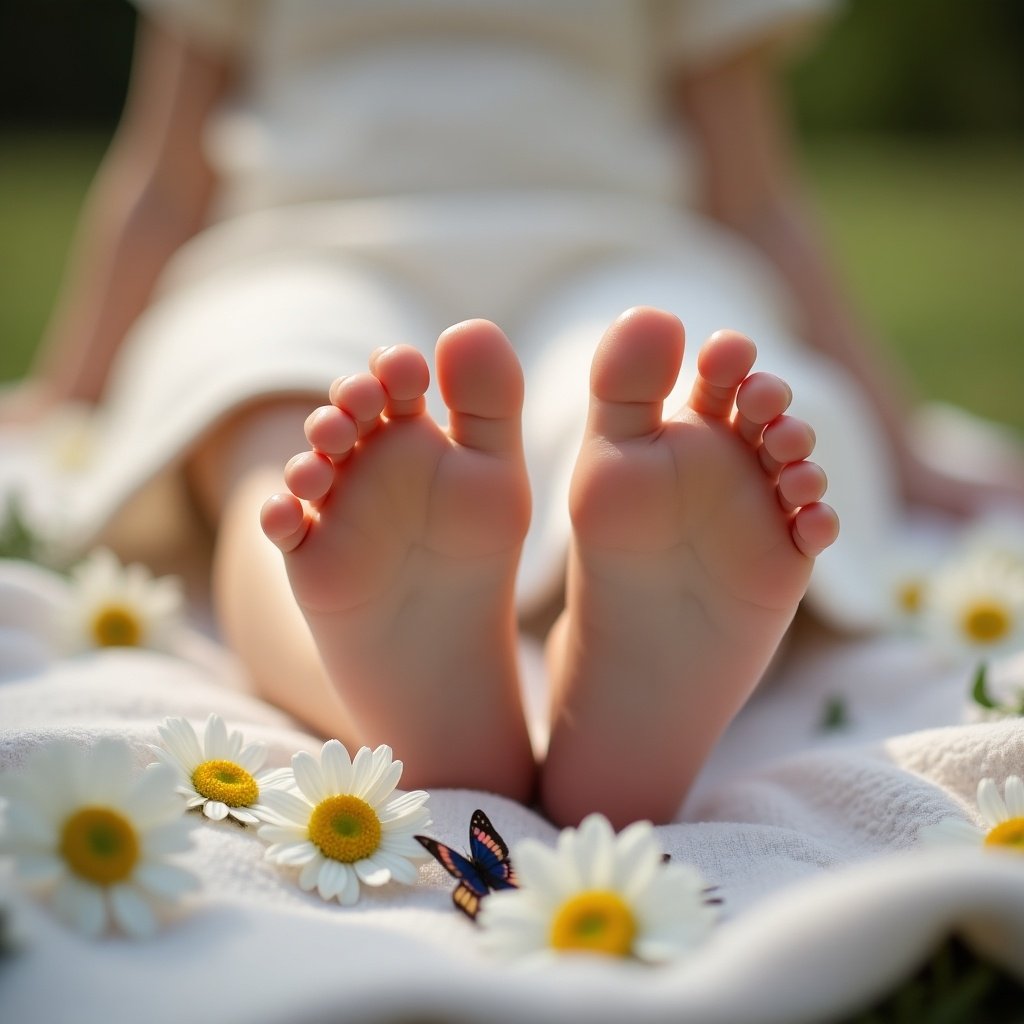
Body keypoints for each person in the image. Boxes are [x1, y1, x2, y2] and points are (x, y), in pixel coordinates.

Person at [1, 1, 1016, 825]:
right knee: (293, 402)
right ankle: (521, 676)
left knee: (297, 435)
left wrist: (902, 443)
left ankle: (536, 671)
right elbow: (758, 197)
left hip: (557, 252)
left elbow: (163, 183)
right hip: (343, 252)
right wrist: (66, 391)